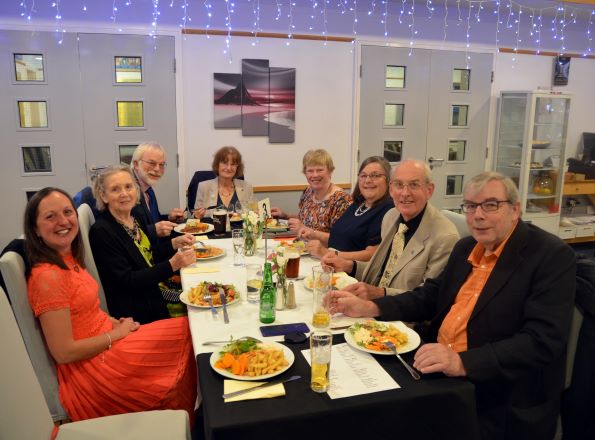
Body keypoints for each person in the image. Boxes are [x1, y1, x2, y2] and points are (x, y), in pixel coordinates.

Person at [328, 171, 576, 440]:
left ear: (515, 210)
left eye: (490, 205)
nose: (477, 215)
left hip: (494, 391)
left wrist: (461, 362)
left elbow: (543, 340)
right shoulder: (467, 246)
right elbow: (431, 296)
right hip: (434, 364)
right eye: (470, 206)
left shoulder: (550, 256)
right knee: (348, 401)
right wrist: (371, 308)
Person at [24, 187, 197, 422]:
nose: (63, 221)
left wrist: (114, 322)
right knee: (188, 332)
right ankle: (189, 419)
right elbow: (64, 352)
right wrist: (117, 334)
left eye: (67, 212)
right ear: (35, 228)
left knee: (191, 328)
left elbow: (85, 313)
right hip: (95, 367)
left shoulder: (67, 258)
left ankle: (187, 417)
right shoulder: (48, 277)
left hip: (109, 339)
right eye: (50, 216)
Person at [322, 159, 458, 297]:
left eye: (414, 185)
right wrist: (350, 266)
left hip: (400, 310)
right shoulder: (391, 216)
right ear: (391, 189)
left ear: (429, 190)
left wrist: (379, 294)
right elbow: (384, 271)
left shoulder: (445, 237)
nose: (405, 193)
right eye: (399, 185)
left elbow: (428, 298)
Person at [90, 165, 196, 324]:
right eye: (115, 189)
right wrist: (172, 264)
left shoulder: (134, 217)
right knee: (198, 310)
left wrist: (174, 243)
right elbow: (127, 281)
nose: (124, 193)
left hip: (154, 290)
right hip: (139, 311)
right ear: (103, 196)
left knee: (203, 290)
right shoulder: (102, 231)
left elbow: (147, 256)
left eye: (128, 187)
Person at [299, 156, 393, 261]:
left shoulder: (388, 209)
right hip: (330, 263)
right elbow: (339, 239)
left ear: (388, 180)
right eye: (363, 175)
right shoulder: (358, 204)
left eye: (375, 175)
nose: (367, 180)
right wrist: (314, 236)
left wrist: (327, 253)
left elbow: (373, 255)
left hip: (350, 269)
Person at [272, 149, 352, 233]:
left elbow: (342, 238)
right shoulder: (308, 192)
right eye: (310, 171)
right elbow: (305, 219)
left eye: (320, 170)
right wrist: (285, 216)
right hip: (301, 241)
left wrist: (306, 230)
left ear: (330, 171)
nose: (315, 175)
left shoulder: (342, 200)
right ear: (305, 173)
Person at [131, 142, 183, 238]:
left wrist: (169, 218)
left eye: (162, 164)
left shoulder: (148, 190)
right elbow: (125, 234)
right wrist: (153, 231)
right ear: (136, 164)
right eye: (152, 163)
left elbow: (153, 221)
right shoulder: (127, 192)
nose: (157, 169)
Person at [193, 146, 254, 218]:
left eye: (233, 164)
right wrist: (197, 216)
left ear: (237, 167)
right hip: (212, 225)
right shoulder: (204, 187)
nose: (228, 168)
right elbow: (195, 217)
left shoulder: (247, 187)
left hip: (239, 225)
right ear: (217, 165)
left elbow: (252, 215)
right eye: (225, 163)